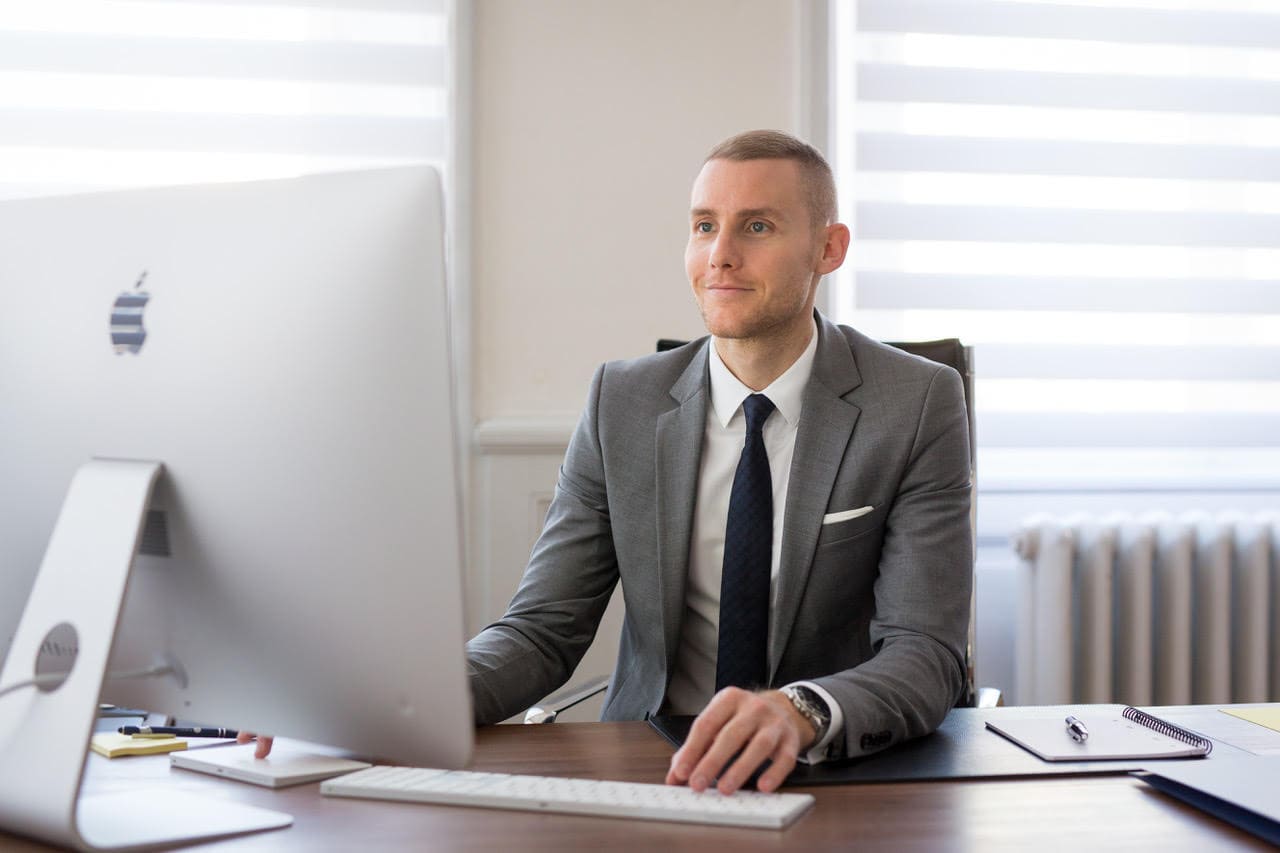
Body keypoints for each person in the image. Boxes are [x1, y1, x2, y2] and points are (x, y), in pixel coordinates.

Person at [244, 130, 972, 794]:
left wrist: (803, 709)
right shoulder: (620, 401)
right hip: (651, 762)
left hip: (833, 770)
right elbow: (541, 629)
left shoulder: (915, 403)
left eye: (757, 226)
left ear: (828, 248)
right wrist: (383, 701)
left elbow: (925, 651)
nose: (719, 253)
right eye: (703, 226)